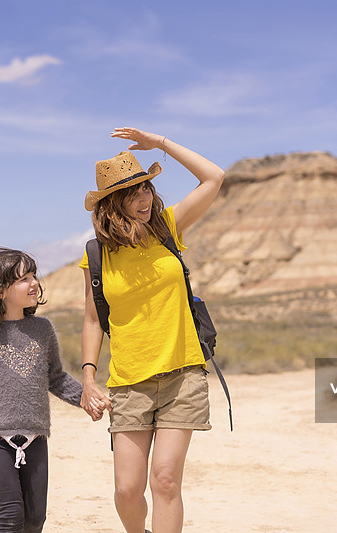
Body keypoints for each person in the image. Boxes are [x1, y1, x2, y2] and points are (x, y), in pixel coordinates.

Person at [79, 127, 225, 533]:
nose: (144, 199)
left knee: (165, 479)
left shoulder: (168, 228)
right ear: (112, 204)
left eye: (146, 189)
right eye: (133, 194)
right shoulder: (96, 255)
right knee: (127, 490)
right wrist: (89, 377)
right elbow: (93, 320)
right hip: (128, 382)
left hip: (182, 374)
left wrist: (159, 143)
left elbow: (214, 177)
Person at [0, 247, 104, 533]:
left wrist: (86, 398)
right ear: (0, 290)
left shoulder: (42, 329)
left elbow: (55, 377)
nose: (34, 283)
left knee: (34, 520)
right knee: (10, 516)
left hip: (35, 436)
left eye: (33, 276)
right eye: (23, 279)